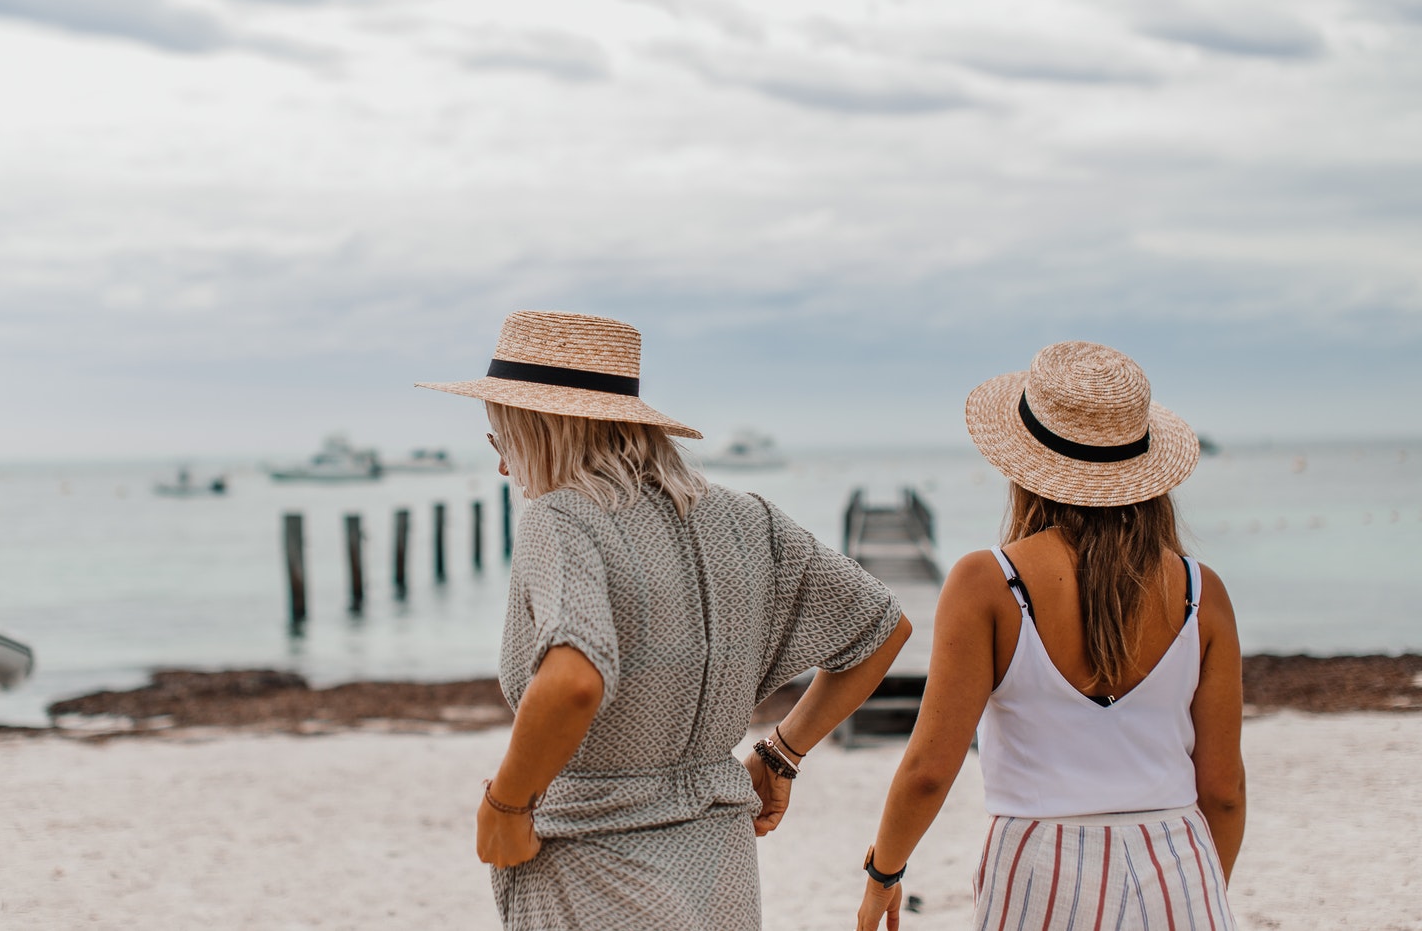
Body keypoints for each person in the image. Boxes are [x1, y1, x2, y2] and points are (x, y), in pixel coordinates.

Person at [417, 310, 912, 931]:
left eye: (500, 441)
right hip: (719, 865)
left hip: (591, 863)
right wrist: (781, 753)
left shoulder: (563, 519)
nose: (501, 468)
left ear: (540, 427)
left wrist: (506, 806)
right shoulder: (746, 519)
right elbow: (882, 628)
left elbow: (574, 680)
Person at [855, 341, 1244, 931]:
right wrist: (1200, 885)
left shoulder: (987, 582)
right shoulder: (1199, 589)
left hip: (1040, 863)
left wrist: (885, 872)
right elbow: (1224, 790)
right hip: (1177, 856)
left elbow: (930, 768)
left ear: (1024, 464)